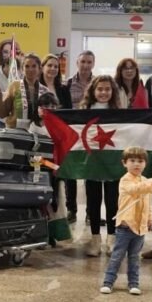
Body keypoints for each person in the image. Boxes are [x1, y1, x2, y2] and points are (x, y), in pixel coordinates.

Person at [99, 146, 152, 295]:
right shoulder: (125, 180)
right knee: (117, 257)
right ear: (124, 163)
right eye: (132, 160)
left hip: (140, 228)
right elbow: (136, 190)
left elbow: (147, 202)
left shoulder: (145, 181)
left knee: (135, 258)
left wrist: (149, 219)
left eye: (140, 161)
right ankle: (108, 282)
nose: (137, 164)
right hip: (125, 227)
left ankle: (134, 284)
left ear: (145, 164)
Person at [79, 75, 122, 257]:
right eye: (100, 89)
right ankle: (95, 238)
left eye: (107, 89)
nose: (103, 93)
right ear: (93, 91)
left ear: (112, 92)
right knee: (93, 202)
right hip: (92, 163)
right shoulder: (84, 111)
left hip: (112, 164)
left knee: (113, 202)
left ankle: (112, 238)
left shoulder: (119, 113)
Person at [65, 50, 96, 222]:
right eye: (82, 61)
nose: (85, 65)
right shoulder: (67, 84)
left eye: (89, 62)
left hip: (91, 135)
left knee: (90, 173)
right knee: (71, 174)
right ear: (77, 63)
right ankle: (71, 210)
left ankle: (91, 213)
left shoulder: (98, 83)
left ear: (93, 64)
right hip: (72, 134)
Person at [0, 53, 47, 129]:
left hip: (37, 134)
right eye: (27, 66)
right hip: (15, 134)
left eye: (34, 66)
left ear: (40, 69)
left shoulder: (45, 91)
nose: (30, 69)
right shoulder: (15, 86)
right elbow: (3, 114)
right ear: (22, 69)